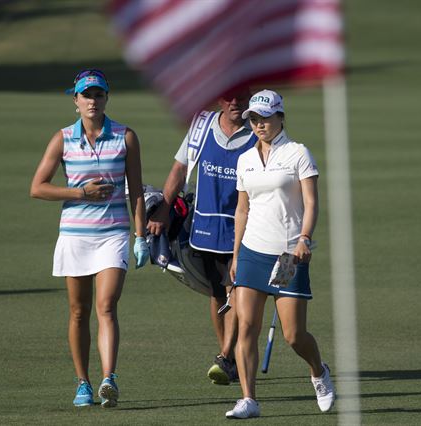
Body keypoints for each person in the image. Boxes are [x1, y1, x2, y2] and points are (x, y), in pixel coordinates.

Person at [30, 69, 149, 408]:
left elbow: (136, 191)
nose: (92, 101)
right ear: (76, 101)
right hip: (75, 235)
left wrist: (141, 237)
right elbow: (38, 187)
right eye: (86, 95)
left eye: (98, 95)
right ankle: (83, 382)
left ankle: (108, 378)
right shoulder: (63, 138)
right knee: (79, 312)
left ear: (106, 98)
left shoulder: (126, 136)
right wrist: (79, 192)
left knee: (106, 306)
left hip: (113, 234)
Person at [225, 89, 335, 419]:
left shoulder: (298, 153)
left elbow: (312, 203)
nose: (259, 125)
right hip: (252, 253)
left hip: (288, 255)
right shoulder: (245, 159)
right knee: (246, 327)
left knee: (293, 335)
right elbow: (242, 210)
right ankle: (249, 399)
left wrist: (304, 238)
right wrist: (235, 255)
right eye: (254, 119)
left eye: (265, 119)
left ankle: (319, 371)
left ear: (281, 118)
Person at [147, 87, 256, 385]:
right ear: (219, 98)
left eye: (243, 95)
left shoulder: (259, 132)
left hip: (244, 231)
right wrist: (163, 208)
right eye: (230, 96)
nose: (236, 102)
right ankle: (230, 359)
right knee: (217, 293)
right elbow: (179, 170)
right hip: (204, 228)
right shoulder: (201, 126)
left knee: (235, 291)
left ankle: (226, 356)